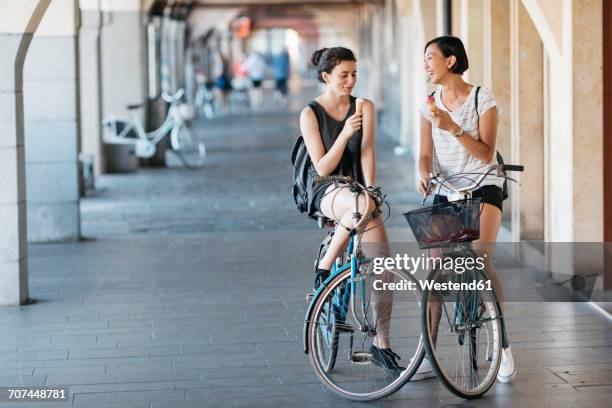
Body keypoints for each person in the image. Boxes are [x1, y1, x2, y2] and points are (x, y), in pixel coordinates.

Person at [300, 47, 433, 378]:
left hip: (359, 195)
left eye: (354, 74)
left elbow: (368, 152)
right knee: (360, 205)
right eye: (343, 75)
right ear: (326, 76)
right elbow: (323, 166)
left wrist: (370, 189)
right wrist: (345, 133)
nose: (350, 80)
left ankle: (381, 343)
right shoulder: (310, 113)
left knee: (383, 264)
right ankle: (325, 264)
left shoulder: (364, 106)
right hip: (325, 189)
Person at [418, 35, 516, 383]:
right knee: (434, 269)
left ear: (451, 61)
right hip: (446, 189)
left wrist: (453, 127)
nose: (426, 63)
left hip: (484, 184)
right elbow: (425, 153)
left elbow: (486, 154)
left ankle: (502, 346)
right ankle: (427, 351)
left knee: (479, 257)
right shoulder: (428, 102)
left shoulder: (481, 98)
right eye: (424, 58)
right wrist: (424, 172)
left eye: (431, 57)